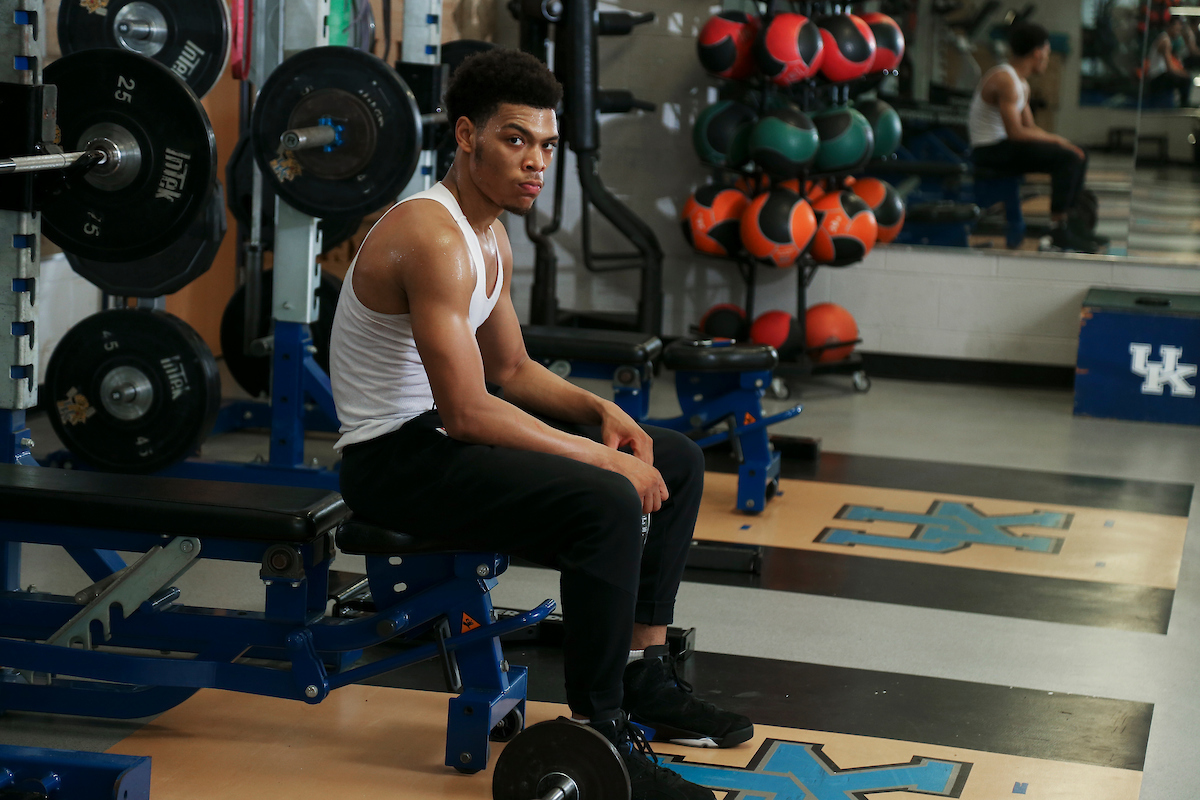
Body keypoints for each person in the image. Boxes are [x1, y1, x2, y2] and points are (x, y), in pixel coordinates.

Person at [328, 47, 751, 800]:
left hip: (435, 440)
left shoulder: (489, 234)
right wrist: (603, 460)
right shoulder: (432, 235)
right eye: (516, 139)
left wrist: (605, 414)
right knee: (607, 498)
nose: (536, 163)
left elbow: (513, 369)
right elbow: (466, 411)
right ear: (466, 136)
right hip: (390, 459)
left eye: (547, 146)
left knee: (676, 458)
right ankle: (600, 735)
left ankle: (645, 672)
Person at [968, 22, 1102, 253]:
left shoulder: (1021, 83)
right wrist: (1058, 142)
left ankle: (1072, 224)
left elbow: (1030, 128)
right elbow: (1016, 132)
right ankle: (1058, 230)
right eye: (1047, 53)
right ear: (1038, 53)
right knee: (1067, 159)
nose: (1047, 59)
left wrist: (1065, 143)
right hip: (989, 151)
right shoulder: (1005, 80)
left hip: (1004, 146)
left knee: (1078, 153)